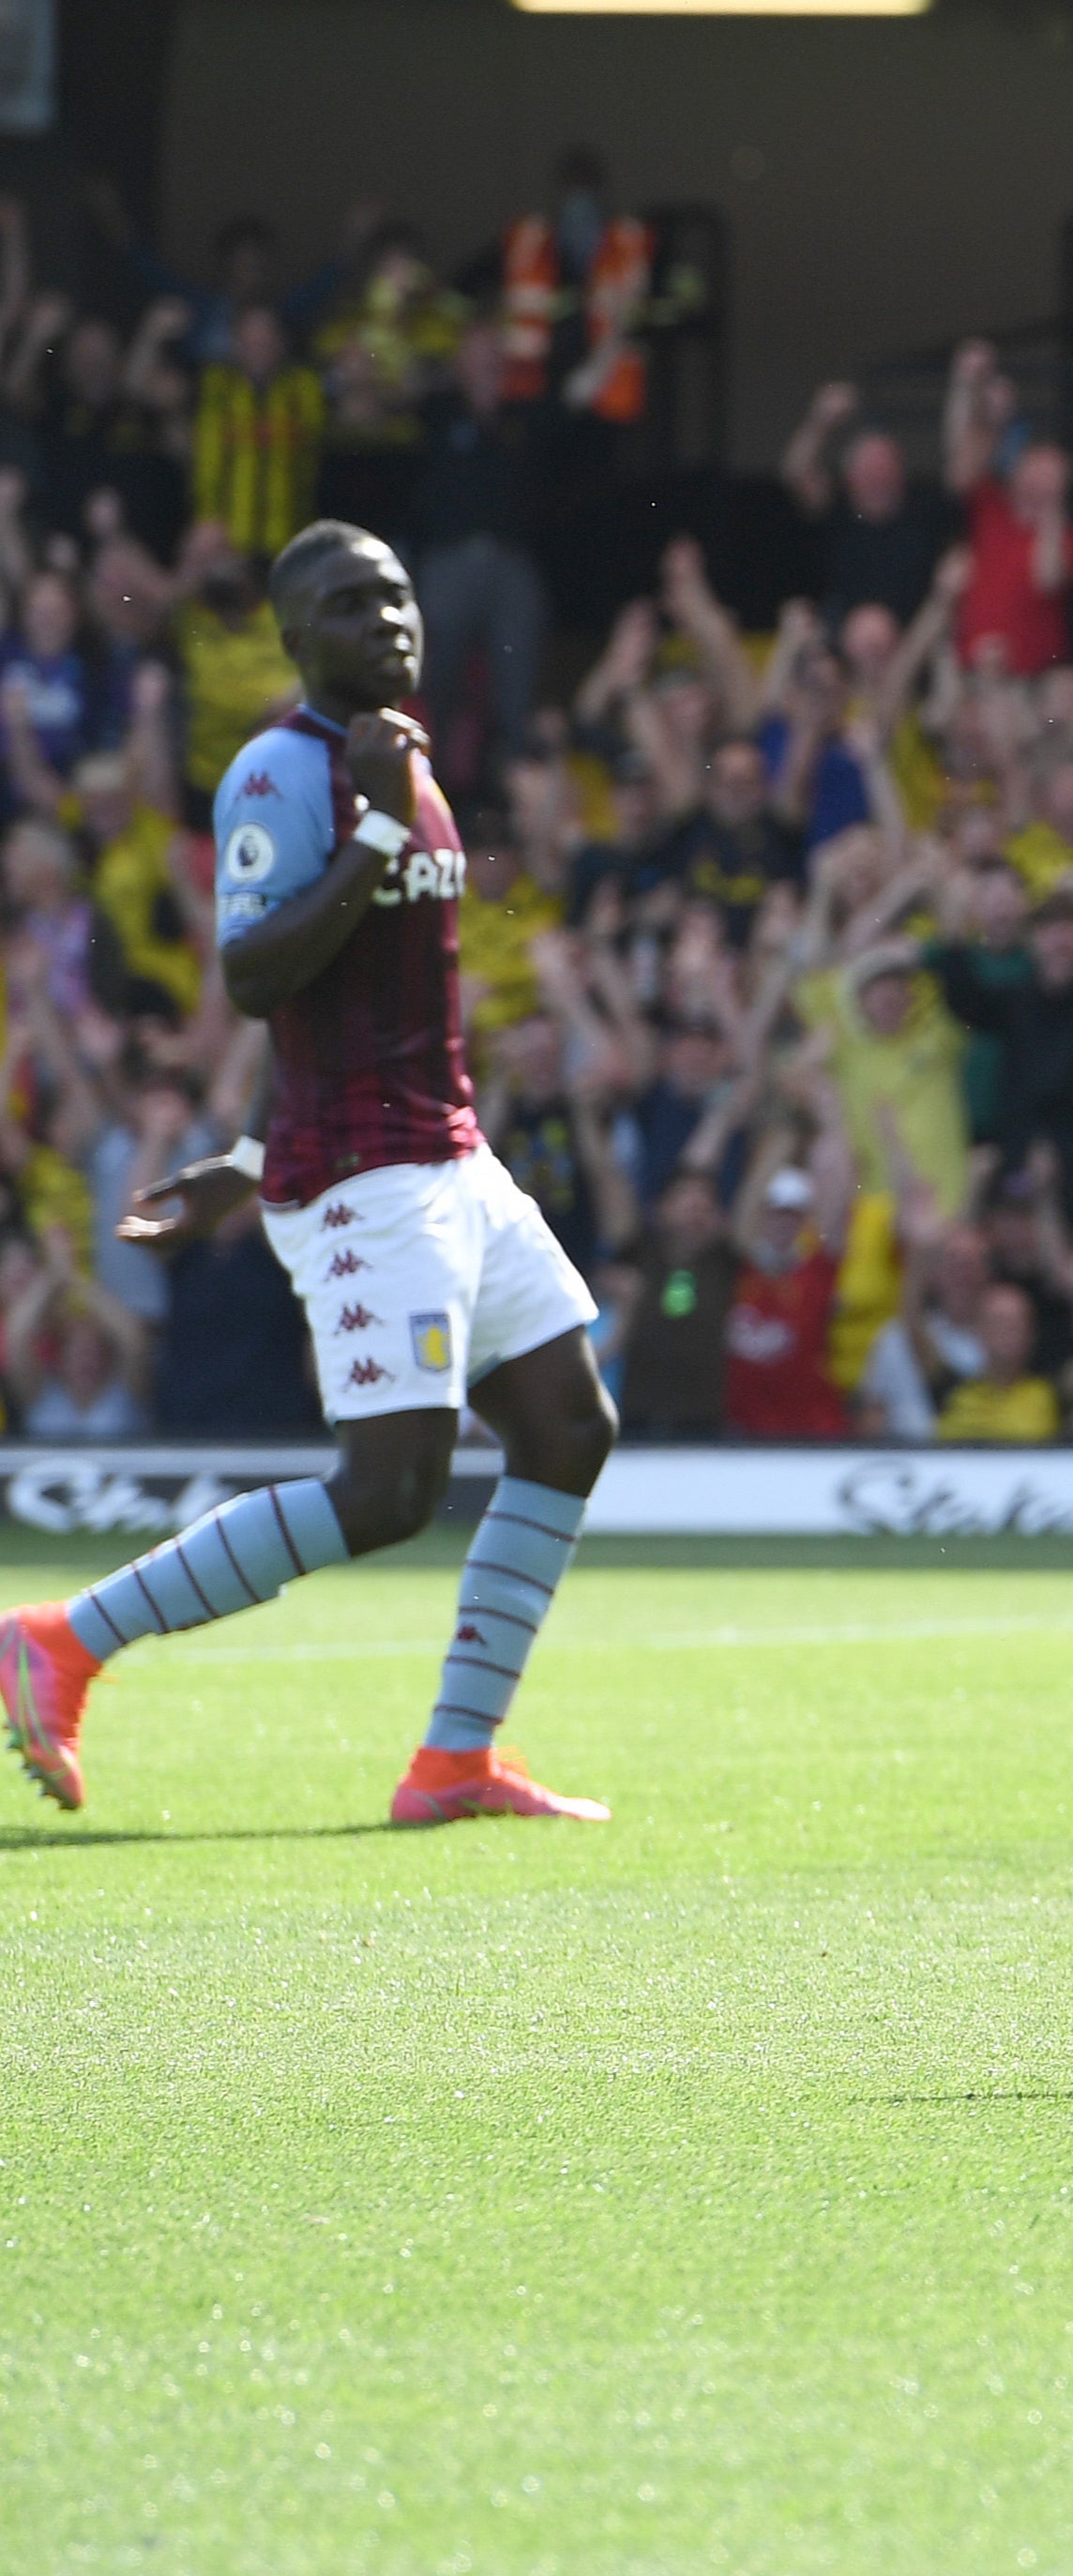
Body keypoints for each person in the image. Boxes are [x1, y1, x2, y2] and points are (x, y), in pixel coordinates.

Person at [2, 521, 616, 1827]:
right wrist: (381, 835)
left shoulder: (404, 763)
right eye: (350, 603)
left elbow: (362, 1007)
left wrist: (236, 1158)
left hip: (446, 1152)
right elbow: (255, 973)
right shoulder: (282, 774)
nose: (388, 619)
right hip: (367, 1180)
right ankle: (62, 1636)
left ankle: (455, 1759)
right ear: (294, 639)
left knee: (570, 1422)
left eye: (398, 596)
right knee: (390, 1490)